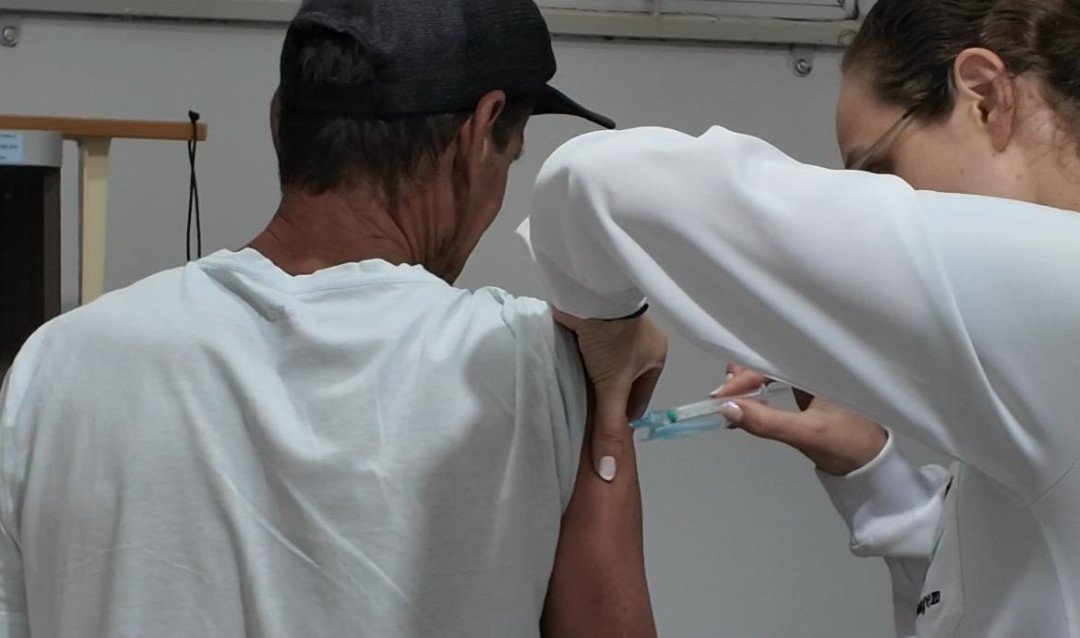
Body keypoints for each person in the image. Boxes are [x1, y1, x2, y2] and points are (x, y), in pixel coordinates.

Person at [0, 1, 659, 636]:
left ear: (278, 121)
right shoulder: (539, 370)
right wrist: (613, 318)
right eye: (509, 159)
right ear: (480, 132)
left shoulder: (56, 368)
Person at [520, 0, 1080, 636]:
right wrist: (872, 472)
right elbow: (1007, 588)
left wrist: (609, 324)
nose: (877, 198)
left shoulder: (1055, 280)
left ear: (984, 96)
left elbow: (598, 178)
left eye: (876, 170)